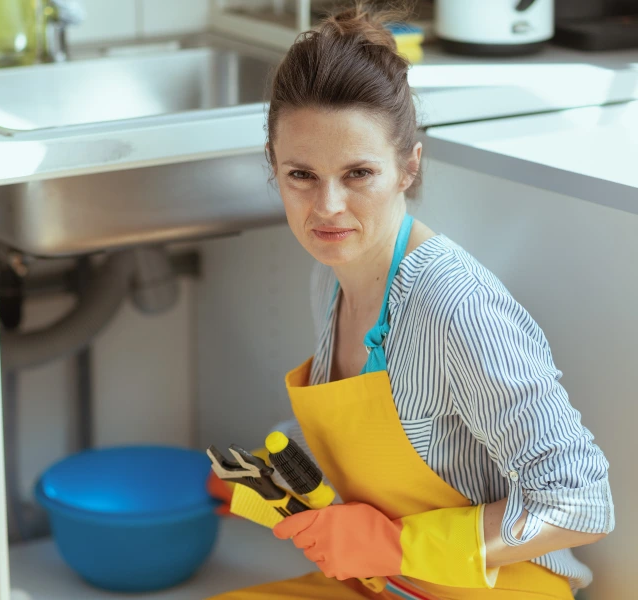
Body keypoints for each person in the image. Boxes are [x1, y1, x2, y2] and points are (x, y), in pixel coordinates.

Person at [207, 3, 614, 599]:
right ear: (273, 165)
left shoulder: (456, 310)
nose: (327, 207)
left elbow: (581, 501)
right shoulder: (330, 275)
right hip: (388, 584)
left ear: (407, 167)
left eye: (358, 173)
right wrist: (270, 475)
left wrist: (395, 545)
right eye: (301, 175)